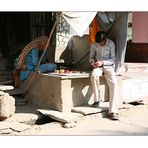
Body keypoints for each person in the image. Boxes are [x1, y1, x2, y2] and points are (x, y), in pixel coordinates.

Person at [89, 31, 119, 120]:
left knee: (113, 83)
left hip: (108, 66)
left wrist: (103, 62)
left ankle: (113, 111)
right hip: (98, 67)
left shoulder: (111, 44)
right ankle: (97, 100)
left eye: (101, 42)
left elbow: (113, 59)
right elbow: (91, 57)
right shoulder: (94, 44)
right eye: (98, 42)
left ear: (105, 39)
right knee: (94, 75)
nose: (99, 44)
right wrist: (92, 62)